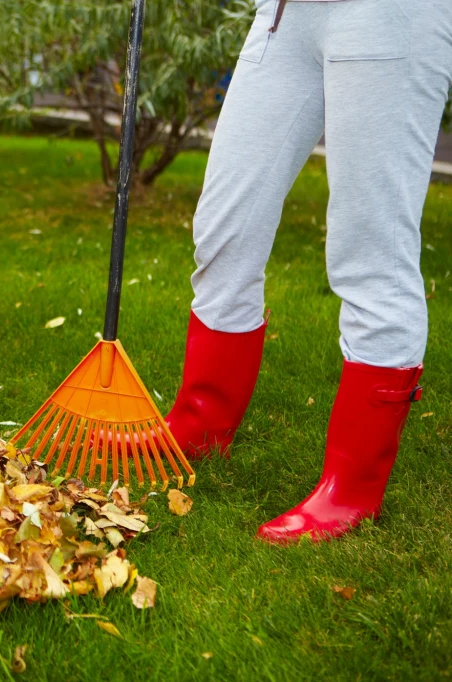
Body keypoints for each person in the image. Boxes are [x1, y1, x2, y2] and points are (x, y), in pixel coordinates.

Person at [164, 0, 452, 543]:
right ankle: (200, 425)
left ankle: (351, 489)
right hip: (284, 13)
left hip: (387, 15)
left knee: (370, 248)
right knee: (226, 227)